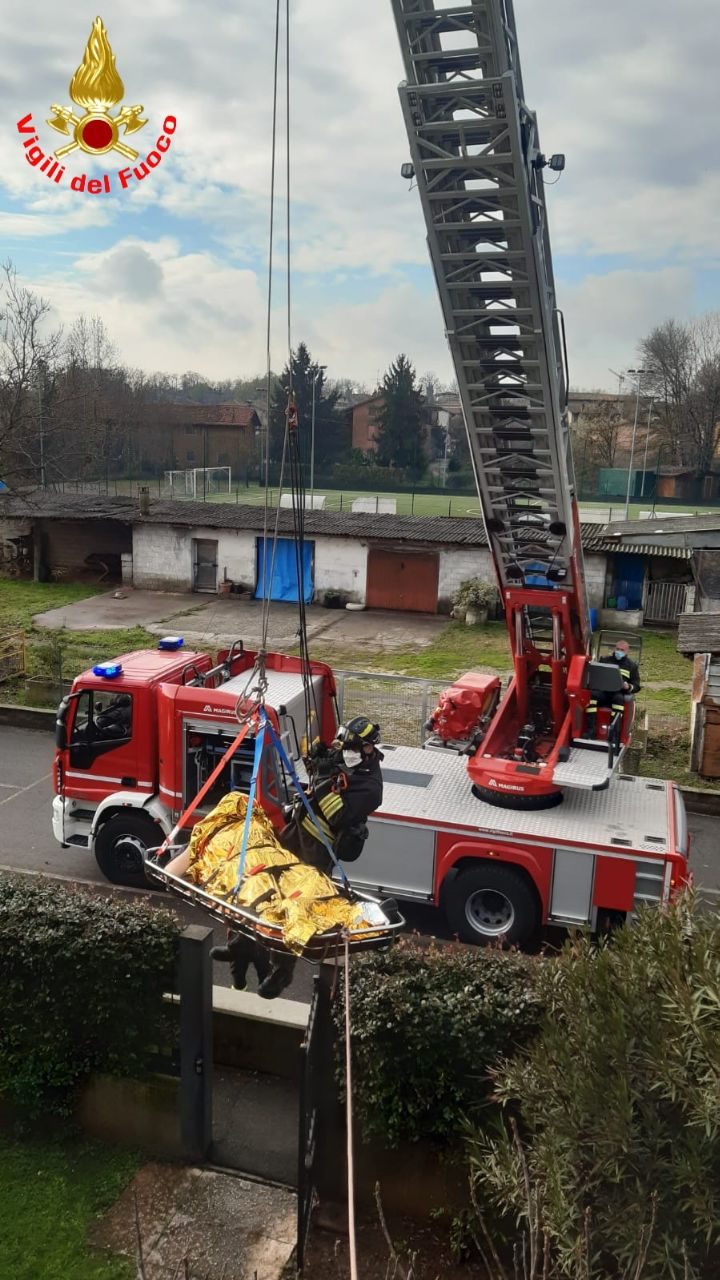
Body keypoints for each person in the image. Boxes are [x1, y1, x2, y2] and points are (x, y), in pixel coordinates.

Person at [215, 717, 384, 1000]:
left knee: (295, 909)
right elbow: (319, 768)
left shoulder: (371, 788)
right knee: (261, 885)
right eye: (345, 747)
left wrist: (321, 779)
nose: (346, 753)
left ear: (369, 748)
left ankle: (282, 972)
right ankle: (240, 944)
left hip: (317, 850)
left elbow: (337, 814)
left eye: (354, 748)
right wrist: (316, 760)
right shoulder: (346, 757)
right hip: (295, 831)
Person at [586, 639, 641, 738]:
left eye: (622, 650)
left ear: (627, 651)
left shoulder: (632, 666)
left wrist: (628, 686)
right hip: (603, 692)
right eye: (617, 649)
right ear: (614, 648)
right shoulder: (605, 660)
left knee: (618, 700)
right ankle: (591, 729)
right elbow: (596, 675)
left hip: (618, 693)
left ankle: (614, 733)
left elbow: (637, 686)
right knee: (592, 696)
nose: (619, 651)